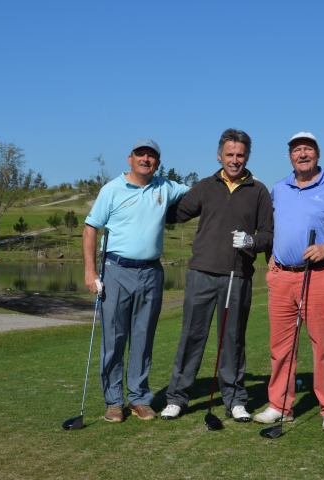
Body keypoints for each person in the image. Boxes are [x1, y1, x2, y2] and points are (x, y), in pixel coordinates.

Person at [160, 128, 273, 422]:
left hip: (238, 275)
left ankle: (235, 399)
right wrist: (152, 195)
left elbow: (269, 235)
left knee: (232, 339)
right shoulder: (206, 186)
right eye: (229, 154)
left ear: (247, 156)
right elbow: (176, 213)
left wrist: (250, 241)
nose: (234, 160)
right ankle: (177, 398)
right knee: (191, 336)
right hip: (201, 273)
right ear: (219, 155)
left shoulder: (258, 191)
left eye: (240, 155)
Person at [252, 132, 324, 432]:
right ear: (290, 156)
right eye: (297, 150)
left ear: (318, 154)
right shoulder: (279, 188)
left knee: (323, 346)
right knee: (281, 347)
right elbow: (269, 226)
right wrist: (269, 255)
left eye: (308, 149)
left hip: (319, 276)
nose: (302, 154)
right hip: (281, 277)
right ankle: (279, 406)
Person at [83, 138, 188, 423]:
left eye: (151, 155)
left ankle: (139, 398)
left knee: (143, 338)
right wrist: (90, 272)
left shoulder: (166, 187)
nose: (146, 159)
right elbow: (91, 228)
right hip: (116, 270)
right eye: (140, 154)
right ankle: (113, 401)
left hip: (152, 272)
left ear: (158, 161)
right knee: (114, 339)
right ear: (130, 159)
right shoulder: (112, 189)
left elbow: (204, 193)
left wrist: (233, 178)